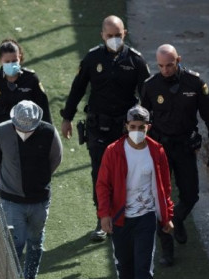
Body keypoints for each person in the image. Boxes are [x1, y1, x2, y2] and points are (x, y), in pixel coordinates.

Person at [60, 15, 151, 242]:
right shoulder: (93, 58)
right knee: (100, 173)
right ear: (102, 35)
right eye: (109, 36)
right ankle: (102, 218)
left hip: (125, 129)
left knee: (127, 172)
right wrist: (67, 117)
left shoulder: (136, 61)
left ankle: (126, 216)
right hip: (98, 127)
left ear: (125, 34)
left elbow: (147, 96)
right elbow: (77, 88)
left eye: (118, 36)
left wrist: (149, 127)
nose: (114, 39)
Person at [141, 44, 209, 266]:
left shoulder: (194, 83)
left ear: (178, 60)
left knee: (191, 195)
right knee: (160, 198)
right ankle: (167, 250)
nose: (165, 70)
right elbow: (144, 120)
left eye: (169, 65)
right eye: (161, 66)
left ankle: (176, 218)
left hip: (185, 146)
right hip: (160, 148)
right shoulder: (151, 86)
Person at [96, 105, 173, 279]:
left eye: (141, 127)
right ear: (126, 127)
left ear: (148, 127)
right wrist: (105, 214)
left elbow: (165, 187)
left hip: (146, 218)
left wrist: (167, 216)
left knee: (144, 268)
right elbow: (103, 185)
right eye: (133, 127)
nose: (137, 131)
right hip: (121, 218)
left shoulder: (157, 151)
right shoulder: (113, 151)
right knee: (124, 261)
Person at [0, 100, 62, 279]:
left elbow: (56, 158)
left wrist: (40, 181)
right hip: (11, 201)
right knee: (16, 241)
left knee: (36, 241)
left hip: (39, 200)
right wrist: (2, 184)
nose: (24, 131)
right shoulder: (1, 132)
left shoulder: (48, 133)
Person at [0, 39, 51, 138]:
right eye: (7, 61)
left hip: (25, 135)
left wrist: (48, 134)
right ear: (0, 61)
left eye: (14, 61)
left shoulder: (31, 79)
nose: (11, 64)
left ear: (19, 58)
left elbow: (43, 109)